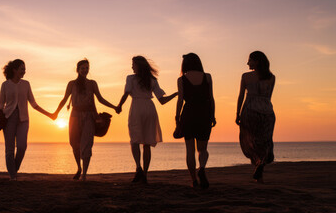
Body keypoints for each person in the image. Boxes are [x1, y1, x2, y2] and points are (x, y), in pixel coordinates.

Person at [52, 59, 118, 181]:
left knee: (87, 145)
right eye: (83, 68)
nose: (85, 70)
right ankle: (79, 168)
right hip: (75, 115)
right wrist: (55, 113)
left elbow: (100, 99)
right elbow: (64, 99)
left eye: (87, 68)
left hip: (89, 116)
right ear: (78, 70)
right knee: (74, 144)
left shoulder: (92, 83)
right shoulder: (72, 84)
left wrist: (114, 107)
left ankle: (84, 174)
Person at [116, 56, 177, 184]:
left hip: (137, 108)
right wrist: (176, 94)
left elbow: (126, 93)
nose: (132, 67)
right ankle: (145, 173)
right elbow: (162, 100)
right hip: (149, 108)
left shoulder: (130, 78)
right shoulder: (152, 80)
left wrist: (119, 105)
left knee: (134, 140)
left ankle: (138, 168)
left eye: (133, 64)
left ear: (138, 66)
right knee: (147, 143)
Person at [0, 59, 53, 180]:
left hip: (23, 119)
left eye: (25, 69)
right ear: (14, 70)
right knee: (9, 150)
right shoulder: (5, 85)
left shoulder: (26, 84)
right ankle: (13, 177)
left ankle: (14, 170)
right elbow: (1, 105)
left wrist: (49, 115)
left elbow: (33, 104)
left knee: (22, 147)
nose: (24, 71)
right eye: (22, 69)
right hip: (8, 119)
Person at [175, 53, 216, 189]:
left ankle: (193, 180)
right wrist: (213, 115)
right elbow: (211, 98)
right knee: (203, 149)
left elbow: (180, 100)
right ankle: (202, 168)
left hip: (189, 113)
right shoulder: (207, 77)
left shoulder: (181, 80)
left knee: (190, 150)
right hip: (204, 113)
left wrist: (177, 117)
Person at [236, 51, 276, 183]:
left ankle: (258, 168)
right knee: (265, 141)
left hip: (250, 110)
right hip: (267, 112)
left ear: (257, 61)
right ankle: (261, 167)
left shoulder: (246, 76)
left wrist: (237, 113)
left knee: (251, 141)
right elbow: (268, 97)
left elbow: (241, 96)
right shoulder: (271, 77)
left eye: (250, 60)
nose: (247, 63)